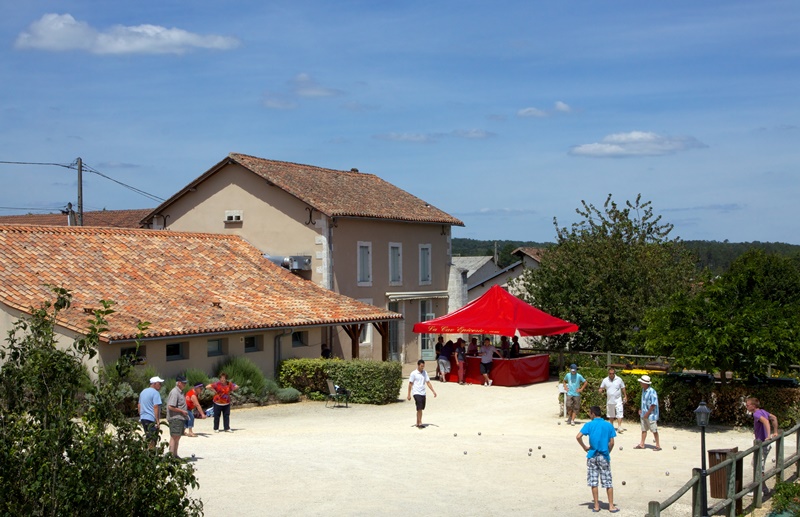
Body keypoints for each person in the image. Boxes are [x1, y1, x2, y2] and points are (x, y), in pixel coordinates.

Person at [576, 406, 619, 513]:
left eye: (590, 413)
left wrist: (584, 447)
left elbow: (578, 437)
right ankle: (611, 506)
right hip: (604, 455)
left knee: (594, 481)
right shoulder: (608, 425)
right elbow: (612, 442)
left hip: (592, 455)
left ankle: (596, 505)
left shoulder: (589, 425)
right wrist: (608, 452)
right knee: (608, 481)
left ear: (593, 414)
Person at [745, 396, 779, 496]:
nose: (746, 407)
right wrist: (775, 432)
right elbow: (774, 418)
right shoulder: (763, 411)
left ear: (753, 406)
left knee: (758, 465)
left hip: (762, 443)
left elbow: (766, 421)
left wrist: (768, 436)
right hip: (764, 444)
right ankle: (763, 487)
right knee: (757, 464)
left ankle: (760, 489)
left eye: (747, 405)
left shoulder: (756, 414)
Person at [407, 359, 437, 428]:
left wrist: (433, 391)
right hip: (416, 392)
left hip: (423, 392)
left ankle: (417, 422)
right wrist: (409, 394)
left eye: (423, 366)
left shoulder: (425, 373)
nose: (422, 368)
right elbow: (410, 384)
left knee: (421, 408)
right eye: (421, 366)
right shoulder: (413, 373)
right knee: (419, 408)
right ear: (418, 365)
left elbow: (428, 382)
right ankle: (420, 423)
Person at [166, 375, 190, 458]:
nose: (185, 384)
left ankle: (175, 455)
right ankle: (171, 456)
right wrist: (182, 411)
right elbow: (170, 406)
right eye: (183, 383)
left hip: (180, 418)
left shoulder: (180, 392)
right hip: (175, 418)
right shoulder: (174, 392)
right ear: (179, 383)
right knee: (174, 437)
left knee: (178, 437)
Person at [635, 375, 661, 451]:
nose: (640, 383)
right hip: (643, 413)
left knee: (654, 430)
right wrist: (641, 409)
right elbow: (643, 401)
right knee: (643, 429)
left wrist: (647, 413)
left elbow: (653, 404)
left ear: (645, 383)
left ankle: (658, 445)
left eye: (641, 382)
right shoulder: (643, 390)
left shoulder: (652, 391)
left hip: (651, 415)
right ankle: (642, 444)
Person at [138, 376, 164, 449]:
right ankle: (150, 454)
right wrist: (157, 421)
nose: (161, 385)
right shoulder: (155, 393)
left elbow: (139, 405)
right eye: (159, 383)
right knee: (153, 438)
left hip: (143, 418)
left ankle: (146, 452)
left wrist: (141, 415)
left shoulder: (143, 392)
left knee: (147, 436)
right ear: (154, 384)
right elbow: (156, 407)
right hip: (151, 419)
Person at [599, 368, 627, 433]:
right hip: (609, 400)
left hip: (618, 399)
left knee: (619, 412)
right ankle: (611, 426)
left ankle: (619, 426)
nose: (611, 375)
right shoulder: (605, 380)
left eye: (612, 373)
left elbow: (623, 388)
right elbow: (601, 387)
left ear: (614, 373)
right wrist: (600, 390)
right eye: (610, 373)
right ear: (608, 373)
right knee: (611, 414)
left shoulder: (619, 379)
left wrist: (625, 396)